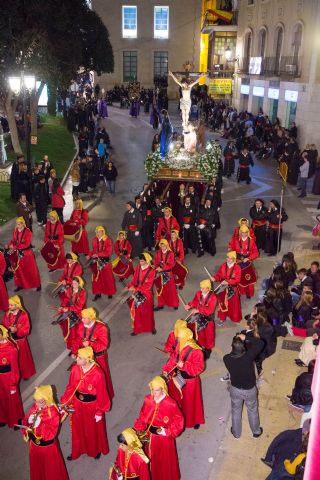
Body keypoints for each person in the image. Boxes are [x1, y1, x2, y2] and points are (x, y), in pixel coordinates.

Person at [60, 346, 110, 461]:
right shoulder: (75, 369)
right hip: (77, 404)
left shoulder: (98, 374)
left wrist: (99, 411)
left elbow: (102, 394)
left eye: (79, 358)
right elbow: (71, 387)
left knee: (91, 430)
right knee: (78, 429)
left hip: (92, 406)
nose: (76, 359)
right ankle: (77, 451)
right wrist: (64, 402)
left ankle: (95, 450)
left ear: (87, 359)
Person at [133, 376, 184, 480]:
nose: (154, 393)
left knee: (165, 461)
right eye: (152, 390)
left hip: (164, 439)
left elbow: (179, 421)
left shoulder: (170, 403)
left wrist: (167, 431)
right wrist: (139, 428)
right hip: (150, 436)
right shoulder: (148, 400)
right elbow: (143, 415)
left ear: (162, 389)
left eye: (156, 390)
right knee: (152, 459)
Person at [22, 385, 69, 480]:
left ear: (46, 399)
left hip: (48, 449)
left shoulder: (53, 412)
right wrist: (28, 423)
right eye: (35, 400)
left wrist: (40, 424)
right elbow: (26, 420)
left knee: (51, 471)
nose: (37, 404)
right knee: (38, 469)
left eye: (40, 401)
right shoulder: (35, 406)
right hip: (35, 447)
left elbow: (51, 435)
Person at [163, 325, 205, 429]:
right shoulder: (179, 345)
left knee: (191, 403)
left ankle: (194, 420)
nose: (176, 340)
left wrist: (184, 366)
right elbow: (173, 359)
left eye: (179, 338)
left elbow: (198, 369)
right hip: (178, 378)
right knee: (180, 401)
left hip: (190, 382)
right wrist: (166, 369)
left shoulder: (197, 351)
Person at [223, 334, 264, 439]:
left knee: (236, 410)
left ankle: (236, 433)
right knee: (252, 409)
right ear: (243, 347)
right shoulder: (248, 357)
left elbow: (231, 355)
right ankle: (256, 431)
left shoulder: (226, 358)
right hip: (249, 390)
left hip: (235, 389)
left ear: (231, 347)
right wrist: (245, 337)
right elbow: (260, 343)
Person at [71, 308, 114, 400]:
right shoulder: (81, 325)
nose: (82, 320)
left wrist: (90, 344)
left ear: (91, 318)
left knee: (101, 377)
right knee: (84, 376)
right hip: (84, 357)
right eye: (82, 318)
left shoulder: (101, 328)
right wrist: (75, 352)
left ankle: (104, 397)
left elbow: (104, 345)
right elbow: (77, 340)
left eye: (85, 318)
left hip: (98, 357)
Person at [2, 296, 36, 380]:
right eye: (9, 305)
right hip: (10, 340)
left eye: (11, 305)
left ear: (17, 305)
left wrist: (17, 330)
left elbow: (26, 330)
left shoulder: (24, 315)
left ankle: (26, 374)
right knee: (13, 360)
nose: (9, 307)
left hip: (20, 341)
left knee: (23, 359)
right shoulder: (7, 314)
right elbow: (4, 324)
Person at [6, 217, 41, 292]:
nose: (17, 226)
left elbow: (26, 244)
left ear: (23, 224)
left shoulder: (28, 232)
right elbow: (13, 240)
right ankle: (20, 284)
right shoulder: (15, 231)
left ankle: (37, 284)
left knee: (31, 270)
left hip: (27, 254)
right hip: (18, 253)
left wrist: (14, 247)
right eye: (16, 224)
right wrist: (9, 244)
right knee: (20, 270)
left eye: (19, 224)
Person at [184, 279, 217, 359]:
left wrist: (198, 310)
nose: (201, 289)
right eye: (201, 288)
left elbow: (210, 310)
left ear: (208, 288)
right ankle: (201, 345)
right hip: (199, 317)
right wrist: (189, 305)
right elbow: (195, 301)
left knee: (209, 335)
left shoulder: (213, 297)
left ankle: (208, 349)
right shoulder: (199, 293)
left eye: (203, 288)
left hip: (208, 320)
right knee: (200, 333)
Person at [125, 252, 156, 336]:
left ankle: (151, 328)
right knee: (137, 313)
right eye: (140, 261)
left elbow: (148, 285)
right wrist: (129, 286)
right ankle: (137, 329)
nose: (140, 263)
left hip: (147, 294)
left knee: (148, 313)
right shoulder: (138, 267)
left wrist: (135, 288)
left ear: (147, 261)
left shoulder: (152, 271)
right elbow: (134, 279)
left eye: (142, 261)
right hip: (137, 293)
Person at [0, 325, 24, 428]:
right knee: (2, 399)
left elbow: (15, 368)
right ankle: (3, 418)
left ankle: (17, 420)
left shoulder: (11, 349)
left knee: (13, 400)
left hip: (9, 379)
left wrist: (14, 383)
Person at [211, 251, 242, 325]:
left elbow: (237, 280)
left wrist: (228, 282)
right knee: (222, 303)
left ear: (234, 259)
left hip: (233, 289)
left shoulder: (237, 268)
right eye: (227, 257)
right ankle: (222, 317)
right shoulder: (223, 265)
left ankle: (234, 317)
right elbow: (219, 275)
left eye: (230, 258)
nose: (228, 259)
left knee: (233, 304)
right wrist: (215, 278)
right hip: (223, 288)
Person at [228, 225, 259, 299]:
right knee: (239, 278)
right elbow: (231, 250)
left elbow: (256, 253)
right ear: (240, 232)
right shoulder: (235, 241)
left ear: (248, 232)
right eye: (242, 232)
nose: (244, 234)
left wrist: (248, 258)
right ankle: (241, 292)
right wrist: (232, 258)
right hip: (238, 262)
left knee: (249, 279)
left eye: (245, 232)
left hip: (248, 263)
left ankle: (249, 293)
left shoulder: (251, 241)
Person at [87, 226, 116, 301]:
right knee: (96, 278)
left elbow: (108, 252)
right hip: (96, 262)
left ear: (103, 232)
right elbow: (94, 250)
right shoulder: (94, 240)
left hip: (105, 262)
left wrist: (98, 254)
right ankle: (98, 293)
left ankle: (109, 293)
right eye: (97, 232)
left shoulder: (108, 240)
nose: (98, 233)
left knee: (107, 278)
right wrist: (89, 255)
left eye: (100, 232)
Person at [58, 276, 87, 349]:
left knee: (75, 333)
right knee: (69, 331)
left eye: (75, 284)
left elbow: (79, 307)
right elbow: (66, 299)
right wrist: (62, 306)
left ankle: (76, 348)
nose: (73, 285)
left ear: (79, 284)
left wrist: (68, 309)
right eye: (73, 283)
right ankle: (71, 347)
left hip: (78, 314)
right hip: (70, 311)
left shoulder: (83, 292)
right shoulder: (69, 290)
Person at [154, 239, 179, 311]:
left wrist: (162, 268)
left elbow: (171, 264)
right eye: (161, 245)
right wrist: (157, 267)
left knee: (171, 289)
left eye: (164, 245)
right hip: (160, 274)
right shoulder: (158, 253)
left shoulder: (171, 253)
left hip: (168, 274)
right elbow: (156, 262)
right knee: (160, 289)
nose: (163, 247)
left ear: (167, 245)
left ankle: (174, 304)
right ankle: (160, 304)